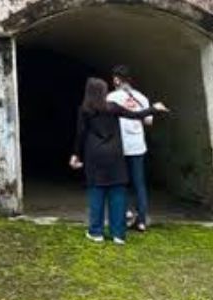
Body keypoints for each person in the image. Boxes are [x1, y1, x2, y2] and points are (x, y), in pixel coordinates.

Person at [69, 77, 167, 244]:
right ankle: (118, 234)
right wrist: (154, 109)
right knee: (117, 192)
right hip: (115, 155)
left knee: (96, 193)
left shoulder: (85, 110)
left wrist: (75, 155)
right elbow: (136, 115)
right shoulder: (112, 107)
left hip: (94, 155)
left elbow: (81, 134)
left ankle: (96, 232)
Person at [108, 65, 153, 232]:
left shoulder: (112, 97)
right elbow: (148, 121)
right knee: (139, 183)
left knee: (120, 182)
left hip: (119, 146)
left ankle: (126, 215)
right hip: (137, 145)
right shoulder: (141, 97)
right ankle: (141, 220)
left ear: (117, 79)